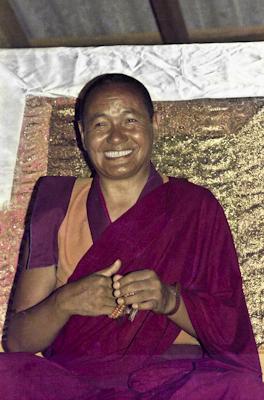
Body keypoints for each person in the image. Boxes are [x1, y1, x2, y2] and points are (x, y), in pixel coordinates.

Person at [1, 73, 263, 399]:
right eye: (100, 125)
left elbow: (230, 331)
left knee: (241, 388)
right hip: (78, 384)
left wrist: (170, 300)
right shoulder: (56, 203)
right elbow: (18, 341)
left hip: (174, 383)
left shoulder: (195, 207)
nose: (116, 137)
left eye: (130, 120)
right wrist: (65, 301)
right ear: (82, 134)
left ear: (153, 122)